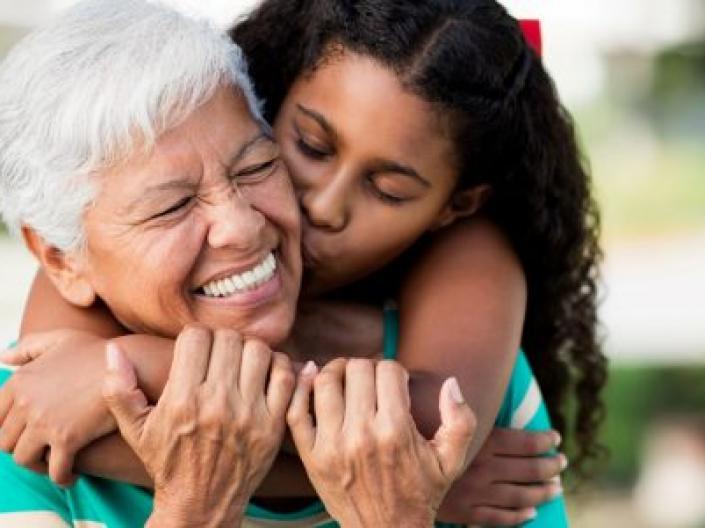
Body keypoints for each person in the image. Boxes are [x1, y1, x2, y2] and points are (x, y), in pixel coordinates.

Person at [2, 0, 605, 525]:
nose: (323, 205)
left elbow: (431, 430)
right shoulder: (94, 246)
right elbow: (48, 425)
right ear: (271, 97)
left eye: (389, 190)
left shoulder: (471, 254)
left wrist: (147, 364)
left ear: (453, 206)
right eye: (311, 148)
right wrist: (400, 479)